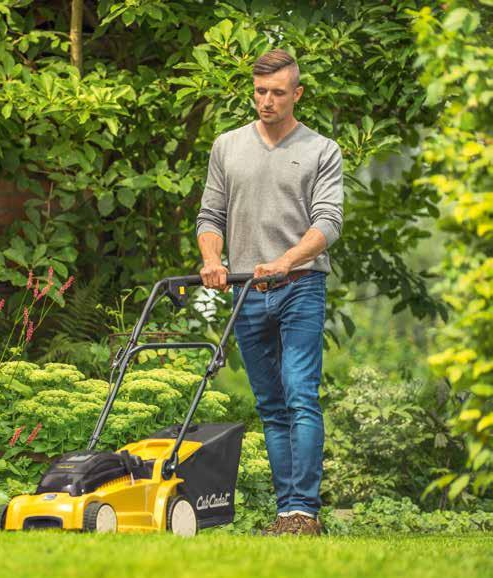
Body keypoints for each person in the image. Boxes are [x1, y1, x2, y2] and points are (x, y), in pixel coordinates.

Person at [196, 49, 344, 536]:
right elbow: (210, 217)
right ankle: (287, 515)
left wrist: (285, 261)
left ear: (296, 94)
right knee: (271, 405)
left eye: (278, 92)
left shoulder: (322, 149)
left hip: (300, 286)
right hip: (244, 291)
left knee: (301, 395)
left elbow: (328, 222)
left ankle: (305, 511)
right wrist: (213, 260)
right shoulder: (228, 146)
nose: (267, 100)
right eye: (260, 91)